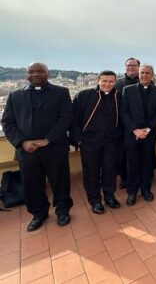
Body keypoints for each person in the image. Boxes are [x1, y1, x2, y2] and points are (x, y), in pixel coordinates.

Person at [1, 62, 73, 231]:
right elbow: (8, 122)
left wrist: (49, 139)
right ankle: (38, 213)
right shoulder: (15, 95)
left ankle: (62, 210)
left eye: (40, 71)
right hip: (28, 150)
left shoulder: (61, 92)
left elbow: (66, 118)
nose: (35, 74)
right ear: (26, 74)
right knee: (31, 183)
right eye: (31, 72)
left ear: (48, 73)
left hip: (55, 147)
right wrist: (22, 142)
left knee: (60, 180)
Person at [71, 70, 122, 214]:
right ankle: (95, 201)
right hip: (89, 142)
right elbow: (73, 119)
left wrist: (118, 136)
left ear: (115, 82)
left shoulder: (119, 96)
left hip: (111, 141)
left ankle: (109, 196)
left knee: (110, 170)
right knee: (91, 173)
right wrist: (78, 139)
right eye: (104, 81)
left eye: (111, 81)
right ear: (98, 80)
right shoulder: (83, 95)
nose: (107, 84)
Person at [121, 64, 156, 205]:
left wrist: (148, 129)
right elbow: (124, 112)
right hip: (132, 134)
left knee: (147, 163)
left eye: (147, 73)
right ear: (138, 74)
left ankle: (146, 189)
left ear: (152, 75)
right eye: (142, 73)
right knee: (132, 164)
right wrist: (135, 130)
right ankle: (132, 192)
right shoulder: (128, 90)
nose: (144, 75)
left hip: (149, 134)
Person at [114, 57, 140, 189]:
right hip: (122, 125)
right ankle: (124, 178)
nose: (131, 67)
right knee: (122, 154)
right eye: (129, 65)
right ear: (125, 67)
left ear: (138, 67)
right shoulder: (117, 83)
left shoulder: (146, 81)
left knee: (141, 153)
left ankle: (142, 177)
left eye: (134, 65)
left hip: (140, 125)